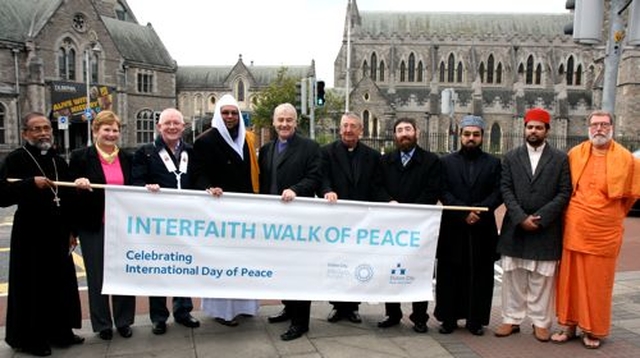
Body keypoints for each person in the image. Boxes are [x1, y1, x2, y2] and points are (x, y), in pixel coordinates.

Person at [551, 110, 640, 349]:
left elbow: (631, 197)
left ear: (612, 126)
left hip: (605, 230)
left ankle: (593, 330)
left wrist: (609, 215)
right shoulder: (575, 154)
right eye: (595, 124)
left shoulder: (627, 158)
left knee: (597, 284)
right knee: (569, 281)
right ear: (588, 127)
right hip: (576, 226)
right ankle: (568, 325)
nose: (599, 128)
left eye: (604, 124)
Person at [0, 112, 84, 356]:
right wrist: (28, 184)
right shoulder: (16, 159)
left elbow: (68, 199)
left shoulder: (59, 161)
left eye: (46, 128)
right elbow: (2, 194)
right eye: (36, 129)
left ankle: (60, 331)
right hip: (30, 233)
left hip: (58, 232)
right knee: (32, 286)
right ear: (25, 133)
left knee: (60, 283)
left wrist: (72, 231)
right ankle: (30, 339)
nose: (43, 133)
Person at [495, 108, 572, 342]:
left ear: (547, 130)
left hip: (545, 228)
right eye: (530, 127)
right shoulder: (510, 157)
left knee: (542, 279)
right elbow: (505, 189)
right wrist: (520, 217)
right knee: (513, 277)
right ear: (524, 129)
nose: (534, 131)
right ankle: (511, 318)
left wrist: (540, 218)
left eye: (539, 127)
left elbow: (564, 192)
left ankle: (540, 322)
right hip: (516, 227)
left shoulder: (560, 158)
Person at [189, 94, 260, 327]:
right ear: (218, 115)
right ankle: (222, 311)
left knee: (244, 260)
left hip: (244, 210)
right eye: (225, 113)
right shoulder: (205, 140)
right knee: (222, 262)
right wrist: (208, 187)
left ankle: (245, 306)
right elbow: (197, 173)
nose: (229, 117)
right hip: (218, 212)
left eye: (233, 113)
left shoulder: (247, 139)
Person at [131, 108, 201, 334]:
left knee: (183, 265)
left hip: (186, 220)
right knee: (160, 266)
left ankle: (183, 311)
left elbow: (200, 179)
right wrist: (145, 187)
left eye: (176, 123)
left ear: (183, 127)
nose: (172, 127)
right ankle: (159, 316)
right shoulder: (146, 153)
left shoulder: (191, 151)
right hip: (158, 222)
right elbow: (136, 181)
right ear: (159, 127)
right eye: (167, 123)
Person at [69, 110, 136, 340]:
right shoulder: (80, 157)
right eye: (106, 129)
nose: (111, 134)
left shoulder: (128, 158)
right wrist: (77, 184)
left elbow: (136, 187)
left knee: (124, 274)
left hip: (122, 226)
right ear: (95, 131)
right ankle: (102, 324)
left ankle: (124, 321)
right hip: (93, 225)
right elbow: (69, 194)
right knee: (97, 276)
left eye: (115, 130)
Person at [434, 115, 502, 336]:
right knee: (450, 274)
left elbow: (498, 192)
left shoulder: (493, 163)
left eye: (475, 134)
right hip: (454, 226)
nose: (470, 138)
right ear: (460, 136)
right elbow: (443, 190)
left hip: (482, 228)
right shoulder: (445, 162)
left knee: (480, 276)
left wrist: (480, 211)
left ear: (482, 137)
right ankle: (448, 319)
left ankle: (476, 320)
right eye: (467, 134)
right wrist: (464, 213)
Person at [317, 112, 387, 324]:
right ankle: (338, 307)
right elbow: (322, 178)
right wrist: (327, 190)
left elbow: (377, 185)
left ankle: (353, 307)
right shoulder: (326, 152)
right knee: (337, 264)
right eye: (345, 126)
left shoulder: (373, 156)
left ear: (361, 130)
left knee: (357, 262)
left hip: (361, 221)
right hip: (336, 219)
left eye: (353, 126)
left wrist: (387, 202)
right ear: (340, 129)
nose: (348, 130)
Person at [260, 103, 322, 341]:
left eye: (289, 120)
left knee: (299, 271)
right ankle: (288, 308)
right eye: (280, 120)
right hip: (274, 220)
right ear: (274, 122)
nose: (284, 124)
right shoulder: (267, 149)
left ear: (296, 122)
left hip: (299, 219)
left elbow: (314, 177)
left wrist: (296, 190)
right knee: (282, 269)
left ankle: (300, 322)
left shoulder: (310, 147)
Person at [377, 118, 442, 334]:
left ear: (417, 132)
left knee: (418, 270)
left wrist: (412, 209)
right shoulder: (385, 161)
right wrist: (389, 201)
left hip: (419, 225)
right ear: (394, 135)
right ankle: (392, 313)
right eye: (399, 130)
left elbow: (433, 191)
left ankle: (419, 317)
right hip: (391, 226)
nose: (404, 134)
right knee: (390, 269)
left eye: (408, 129)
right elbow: (376, 187)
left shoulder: (431, 161)